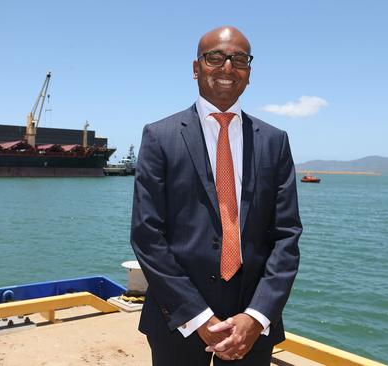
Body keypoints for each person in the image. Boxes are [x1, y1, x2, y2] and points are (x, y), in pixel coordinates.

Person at [130, 26, 302, 365]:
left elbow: (287, 235)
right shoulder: (159, 137)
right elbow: (147, 235)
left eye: (239, 59)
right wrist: (197, 316)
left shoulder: (274, 141)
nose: (227, 67)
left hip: (252, 326)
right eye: (215, 57)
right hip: (176, 321)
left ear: (249, 73)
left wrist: (257, 316)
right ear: (196, 68)